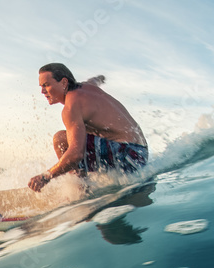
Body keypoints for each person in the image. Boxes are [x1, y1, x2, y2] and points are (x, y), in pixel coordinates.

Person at [28, 63, 148, 192]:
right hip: (141, 153)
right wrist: (100, 78)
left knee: (61, 139)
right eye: (41, 86)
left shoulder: (71, 107)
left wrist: (46, 176)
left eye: (46, 85)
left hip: (129, 158)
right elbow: (94, 80)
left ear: (63, 82)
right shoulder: (87, 86)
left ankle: (80, 192)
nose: (42, 91)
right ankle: (85, 184)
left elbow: (76, 154)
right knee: (81, 133)